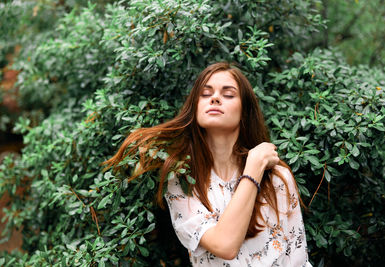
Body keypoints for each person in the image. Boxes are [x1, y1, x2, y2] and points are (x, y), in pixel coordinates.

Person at [105, 62, 312, 266]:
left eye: (228, 94)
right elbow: (224, 245)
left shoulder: (276, 177)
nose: (214, 98)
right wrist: (253, 168)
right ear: (195, 108)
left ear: (244, 111)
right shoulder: (182, 180)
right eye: (205, 94)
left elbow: (297, 259)